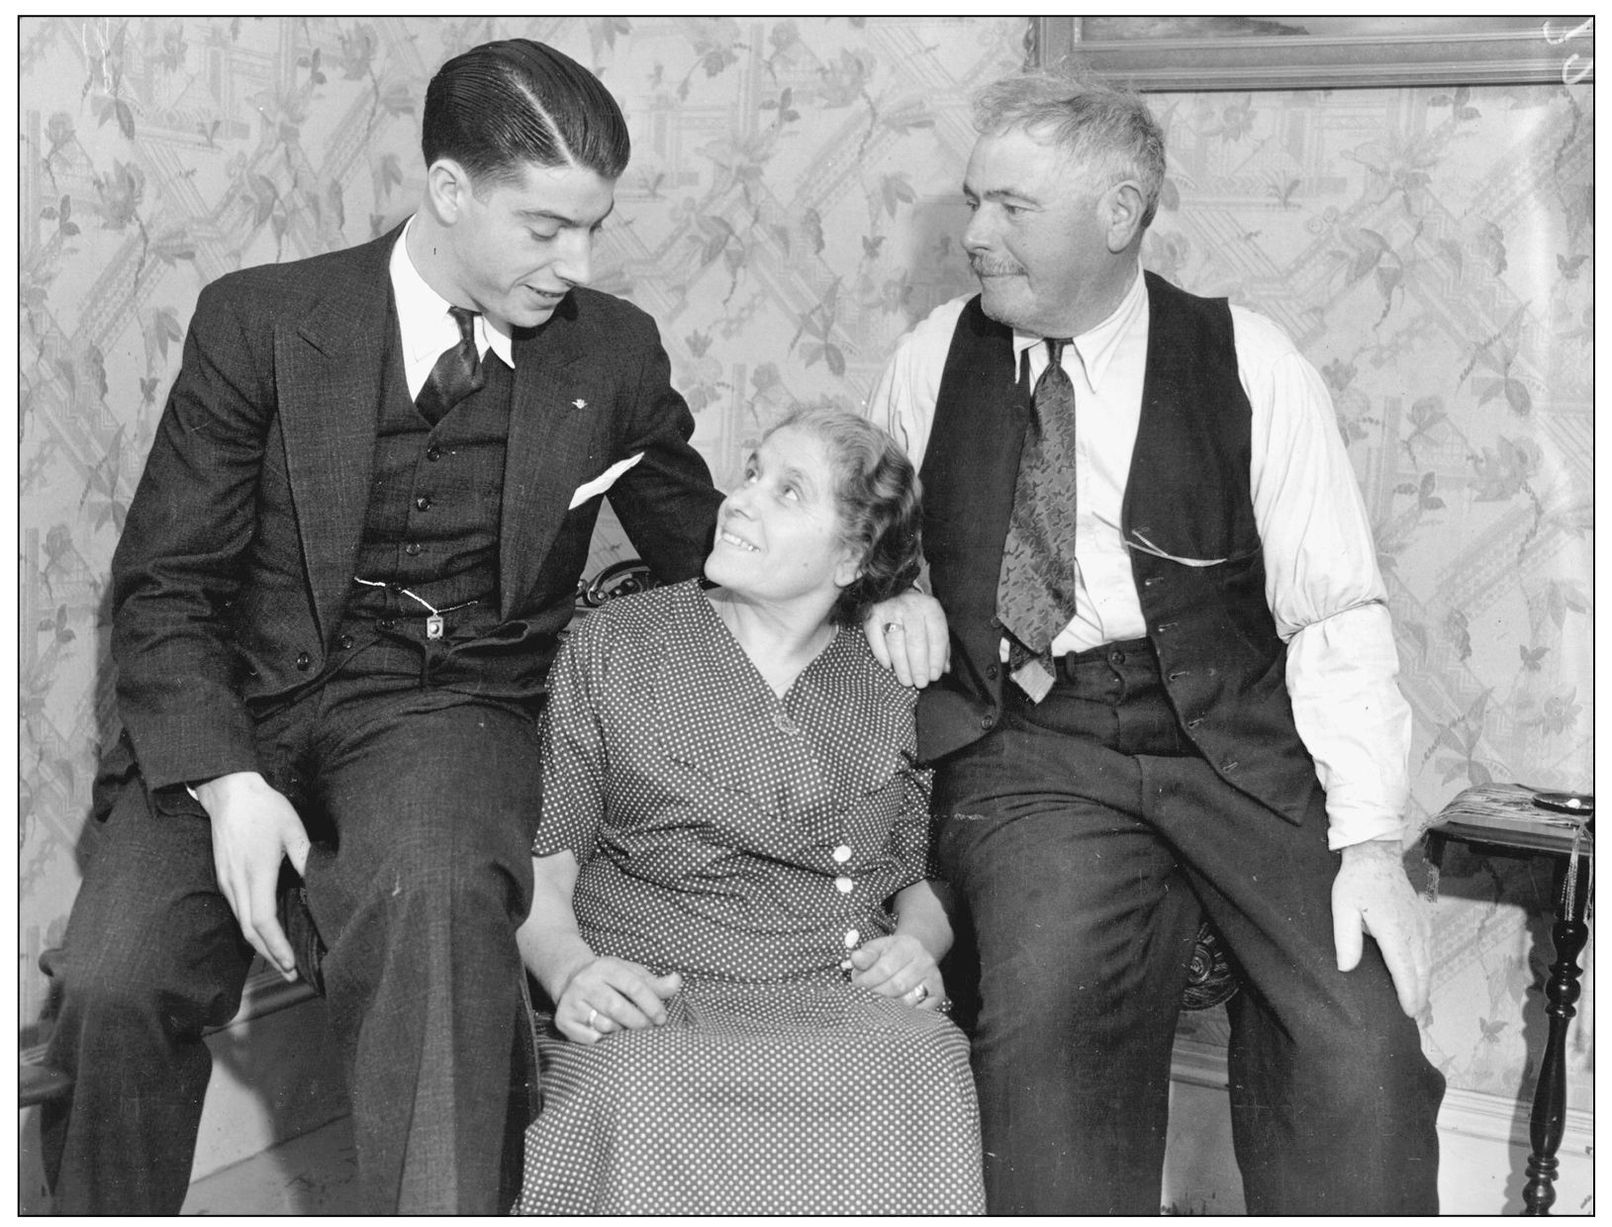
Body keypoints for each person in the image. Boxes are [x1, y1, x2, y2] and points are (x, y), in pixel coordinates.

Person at [40, 40, 727, 1215]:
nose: (578, 262)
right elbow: (164, 586)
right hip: (237, 714)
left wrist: (885, 594)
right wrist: (224, 784)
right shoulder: (259, 322)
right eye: (546, 228)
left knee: (440, 912)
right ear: (449, 191)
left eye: (594, 227)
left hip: (443, 712)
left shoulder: (609, 350)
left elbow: (708, 547)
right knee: (113, 982)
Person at [866, 70, 1445, 1215]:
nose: (975, 236)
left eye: (1012, 208)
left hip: (1236, 736)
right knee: (1045, 1032)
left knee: (1361, 1050)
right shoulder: (936, 355)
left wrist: (1371, 839)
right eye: (976, 200)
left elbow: (1333, 613)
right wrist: (901, 587)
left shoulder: (1250, 361)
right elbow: (868, 531)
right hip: (1035, 744)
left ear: (1121, 213)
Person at [511, 408, 985, 1215]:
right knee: (640, 1083)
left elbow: (926, 871)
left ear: (851, 556)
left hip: (833, 982)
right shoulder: (618, 642)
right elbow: (544, 866)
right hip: (653, 989)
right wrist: (572, 973)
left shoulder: (890, 677)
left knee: (929, 1062)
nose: (740, 500)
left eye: (788, 491)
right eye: (754, 472)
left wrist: (916, 945)